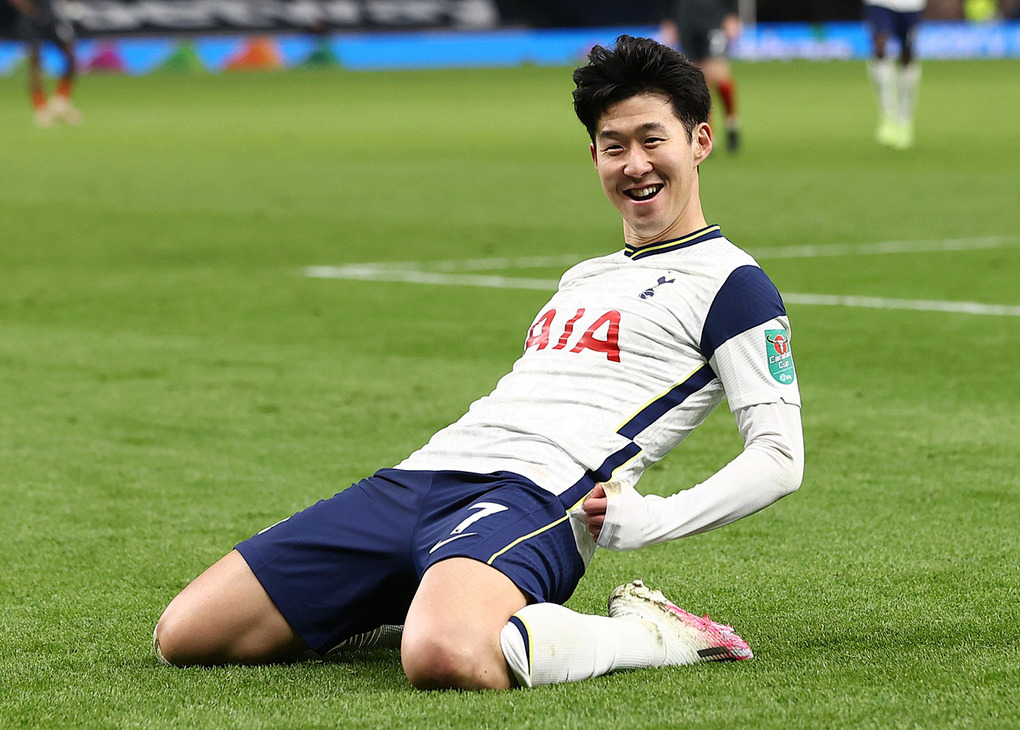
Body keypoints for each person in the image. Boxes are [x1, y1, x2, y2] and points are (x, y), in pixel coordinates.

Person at [153, 35, 804, 691]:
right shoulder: (582, 277)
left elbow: (779, 456)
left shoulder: (732, 283)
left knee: (445, 657)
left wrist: (654, 518)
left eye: (652, 139)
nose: (634, 163)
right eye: (614, 146)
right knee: (187, 636)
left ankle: (653, 632)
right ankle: (408, 596)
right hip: (423, 477)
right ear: (594, 156)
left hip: (539, 495)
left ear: (699, 141)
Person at [660, 0, 742, 152]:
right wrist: (669, 20)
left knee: (719, 76)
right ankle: (707, 133)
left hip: (713, 15)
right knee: (698, 81)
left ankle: (732, 124)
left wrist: (732, 15)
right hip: (686, 18)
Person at [6, 0, 81, 127]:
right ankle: (41, 109)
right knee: (35, 63)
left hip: (52, 16)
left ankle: (61, 102)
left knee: (70, 57)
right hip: (31, 19)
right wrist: (28, 9)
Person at [864, 0, 926, 149]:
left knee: (907, 56)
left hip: (911, 5)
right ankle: (887, 115)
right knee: (880, 45)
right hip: (879, 3)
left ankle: (904, 118)